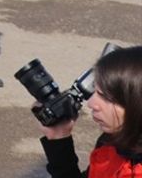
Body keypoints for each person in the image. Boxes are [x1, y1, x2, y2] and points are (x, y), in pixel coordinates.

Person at [40, 45, 142, 178]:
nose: (91, 104)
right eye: (95, 92)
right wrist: (58, 137)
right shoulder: (115, 141)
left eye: (105, 96)